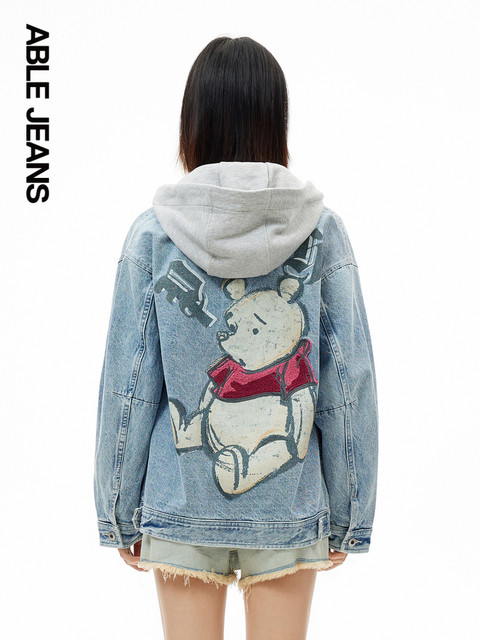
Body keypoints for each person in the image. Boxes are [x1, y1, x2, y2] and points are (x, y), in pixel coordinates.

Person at [94, 35, 379, 640]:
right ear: (277, 124)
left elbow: (129, 384)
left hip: (179, 503)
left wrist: (117, 508)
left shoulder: (153, 236)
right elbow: (347, 382)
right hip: (290, 508)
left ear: (192, 126)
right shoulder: (322, 233)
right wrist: (350, 512)